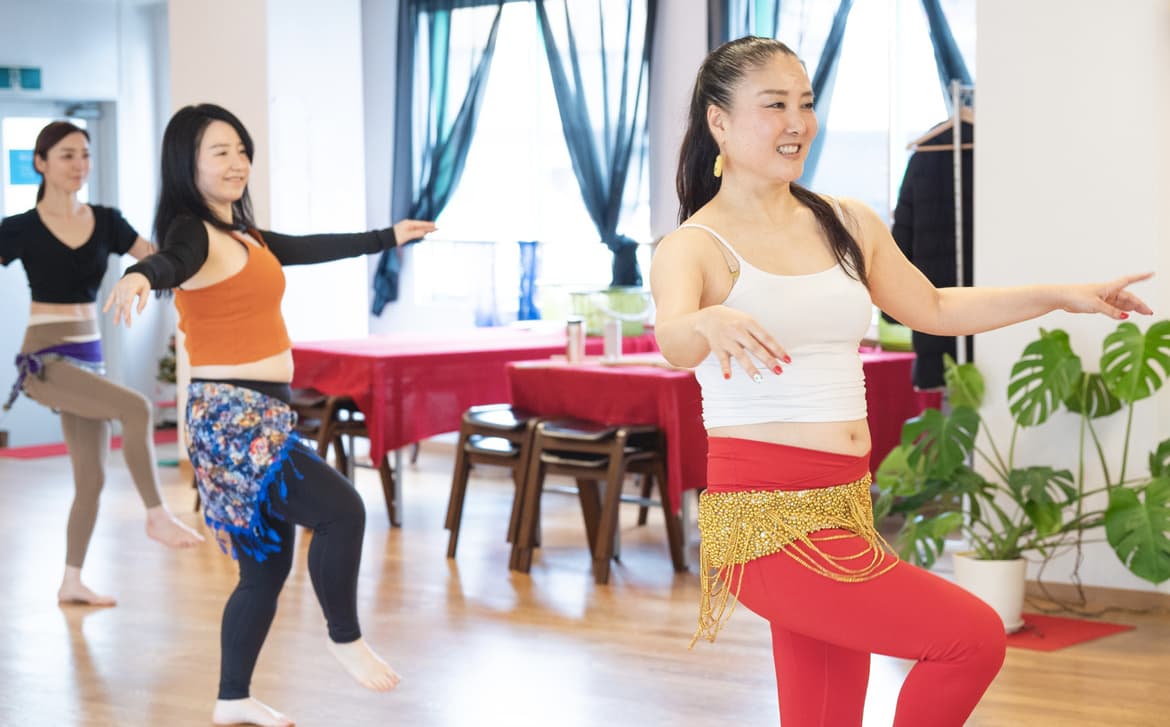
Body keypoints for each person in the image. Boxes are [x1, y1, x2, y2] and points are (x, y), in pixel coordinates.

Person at [651, 37, 1152, 727]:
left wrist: (1062, 295)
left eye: (805, 103)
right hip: (765, 523)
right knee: (971, 638)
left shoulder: (845, 222)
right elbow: (673, 340)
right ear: (719, 122)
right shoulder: (694, 246)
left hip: (844, 506)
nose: (797, 123)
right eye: (774, 105)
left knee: (824, 715)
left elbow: (935, 308)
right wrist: (706, 321)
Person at [103, 103, 434, 727]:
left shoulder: (244, 236)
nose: (237, 163)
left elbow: (309, 247)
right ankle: (345, 638)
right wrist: (140, 274)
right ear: (186, 164)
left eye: (241, 150)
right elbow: (171, 260)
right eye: (219, 151)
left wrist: (386, 237)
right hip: (231, 416)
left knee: (265, 567)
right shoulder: (192, 231)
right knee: (343, 510)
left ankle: (232, 698)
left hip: (260, 411)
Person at [0, 121, 205, 608]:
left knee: (90, 479)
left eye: (85, 155)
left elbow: (158, 262)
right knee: (136, 408)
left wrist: (191, 248)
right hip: (46, 359)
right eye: (67, 155)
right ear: (41, 163)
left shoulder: (107, 221)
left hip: (89, 357)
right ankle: (156, 514)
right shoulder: (19, 228)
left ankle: (71, 581)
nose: (79, 165)